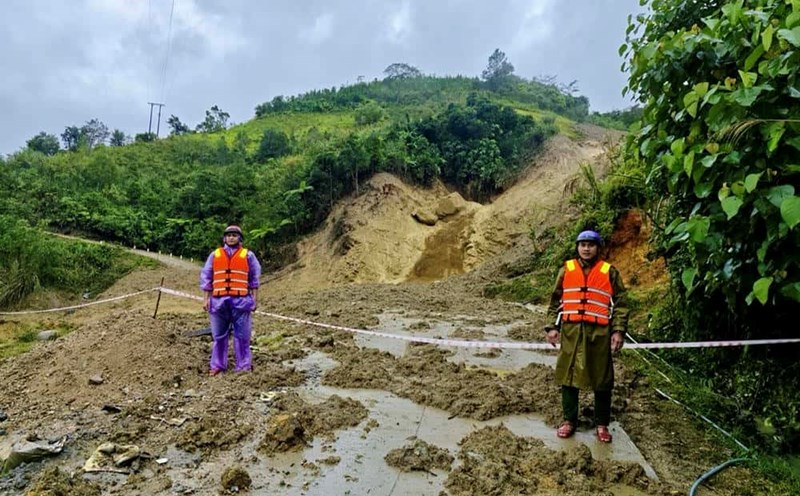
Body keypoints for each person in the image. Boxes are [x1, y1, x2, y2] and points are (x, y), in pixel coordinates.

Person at [544, 229, 627, 443]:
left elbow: (621, 304)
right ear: (577, 247)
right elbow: (555, 301)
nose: (586, 248)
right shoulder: (566, 270)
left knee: (602, 378)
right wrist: (552, 327)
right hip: (571, 332)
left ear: (598, 248)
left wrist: (618, 330)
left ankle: (602, 424)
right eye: (583, 244)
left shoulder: (609, 271)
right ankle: (569, 421)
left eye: (591, 244)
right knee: (568, 376)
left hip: (599, 333)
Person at [200, 225, 262, 376]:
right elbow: (207, 277)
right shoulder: (215, 255)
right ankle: (218, 365)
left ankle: (243, 366)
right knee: (219, 336)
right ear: (224, 238)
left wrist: (254, 299)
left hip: (241, 301)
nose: (231, 237)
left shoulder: (248, 255)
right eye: (228, 235)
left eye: (234, 235)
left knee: (242, 336)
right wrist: (206, 299)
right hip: (218, 301)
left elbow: (254, 278)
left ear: (240, 238)